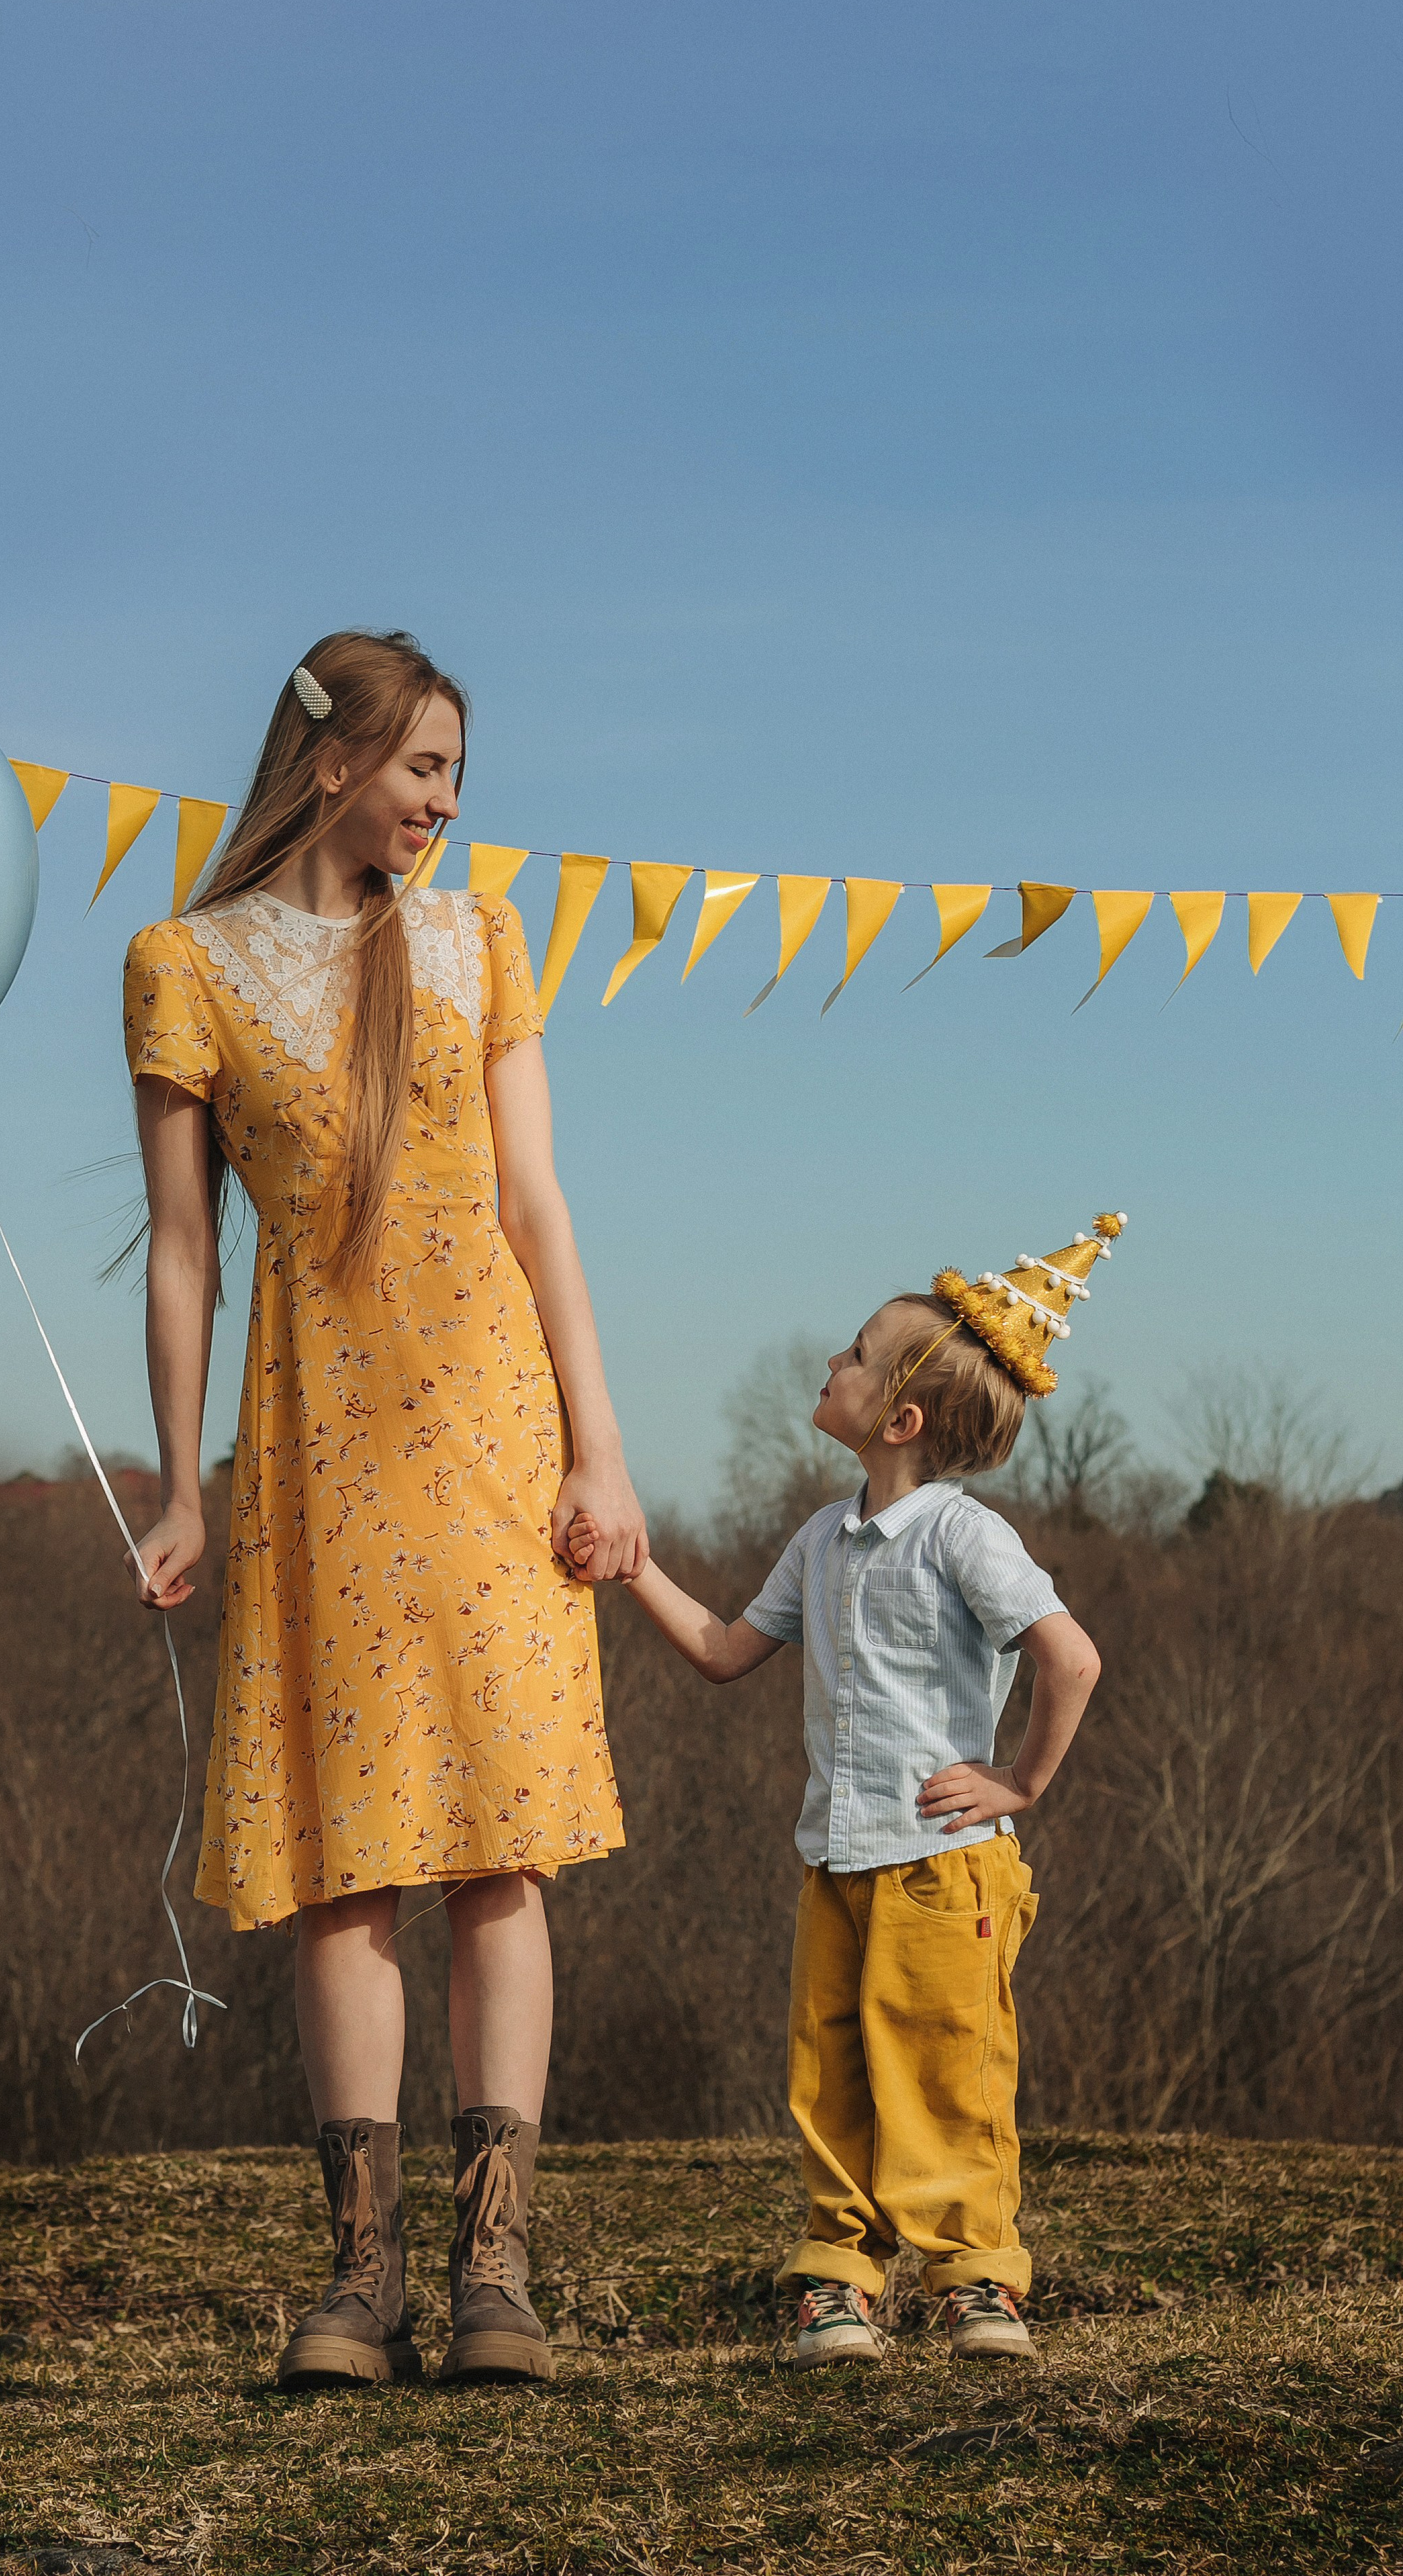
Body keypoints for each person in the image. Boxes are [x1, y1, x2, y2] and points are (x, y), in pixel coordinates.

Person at [121, 630, 646, 2390]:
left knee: (501, 1851)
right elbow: (183, 1249)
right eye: (423, 768)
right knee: (342, 1872)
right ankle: (361, 2282)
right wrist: (177, 1481)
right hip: (311, 1444)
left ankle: (497, 2276)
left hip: (493, 1429)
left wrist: (598, 1449)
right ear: (330, 758)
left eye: (455, 777)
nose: (444, 805)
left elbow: (540, 1203)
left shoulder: (478, 938)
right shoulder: (181, 963)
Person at [571, 1214, 1119, 2365]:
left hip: (944, 1873)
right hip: (834, 1864)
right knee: (830, 2081)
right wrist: (633, 1566)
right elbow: (725, 1651)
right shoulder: (822, 1539)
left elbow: (1071, 1660)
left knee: (951, 2076)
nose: (833, 1360)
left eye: (857, 1354)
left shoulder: (964, 1537)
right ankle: (838, 2286)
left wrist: (1018, 1783)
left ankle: (978, 2283)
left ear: (901, 1420)